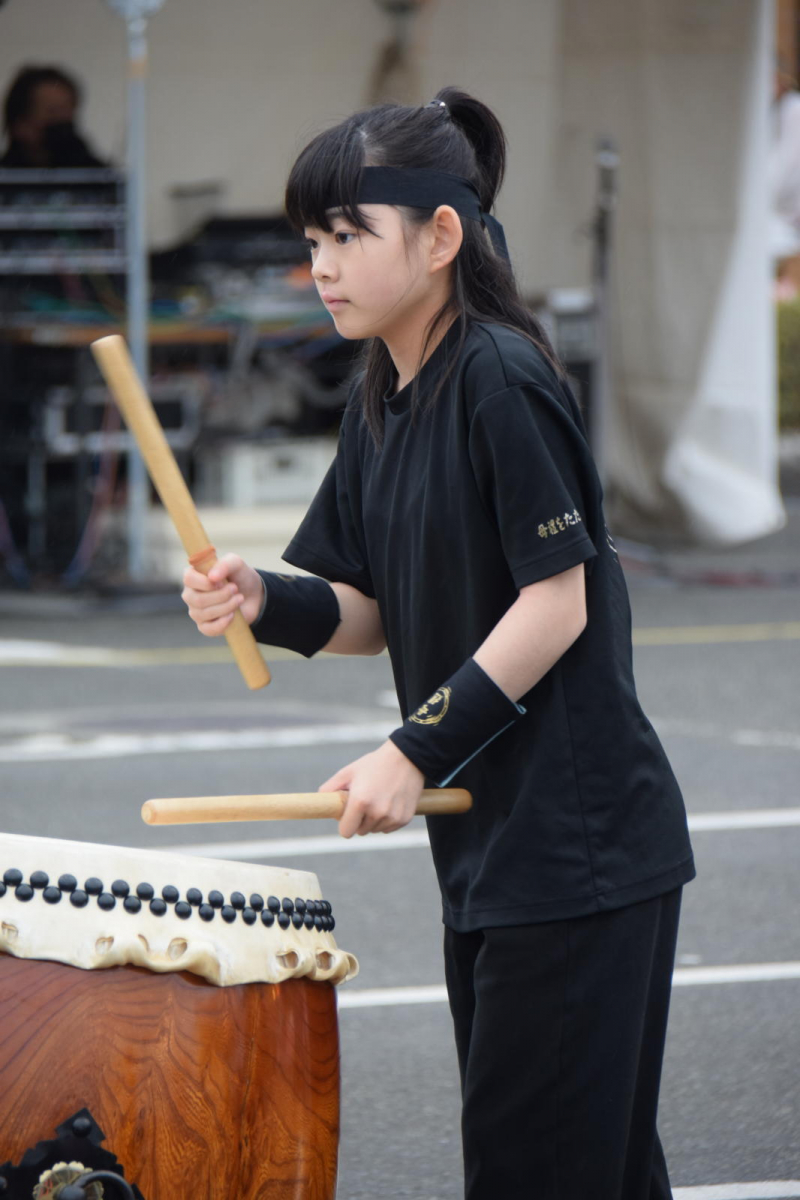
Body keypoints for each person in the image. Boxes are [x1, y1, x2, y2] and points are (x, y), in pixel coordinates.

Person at [182, 87, 695, 1200]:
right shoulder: (383, 391)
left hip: (578, 848)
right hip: (495, 851)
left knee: (535, 1170)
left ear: (440, 236)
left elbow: (556, 602)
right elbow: (371, 610)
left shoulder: (499, 376)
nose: (321, 267)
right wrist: (262, 597)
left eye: (346, 235)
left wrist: (410, 752)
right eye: (312, 242)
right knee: (584, 1172)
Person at [0, 65, 106, 168]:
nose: (64, 120)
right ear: (20, 124)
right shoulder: (5, 174)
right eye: (53, 112)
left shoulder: (97, 174)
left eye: (69, 111)